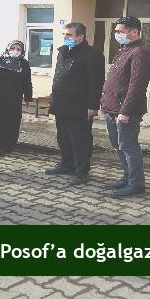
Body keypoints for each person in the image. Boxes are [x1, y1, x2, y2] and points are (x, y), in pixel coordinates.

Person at [44, 23, 105, 185]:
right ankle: (67, 164)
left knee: (80, 140)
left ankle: (81, 171)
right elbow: (58, 76)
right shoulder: (62, 52)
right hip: (61, 103)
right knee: (63, 137)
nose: (65, 38)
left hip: (79, 106)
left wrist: (93, 106)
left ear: (80, 36)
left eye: (69, 35)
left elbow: (96, 82)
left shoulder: (92, 55)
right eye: (64, 34)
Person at [100, 16, 150, 198]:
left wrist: (125, 111)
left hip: (125, 111)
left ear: (134, 32)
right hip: (112, 108)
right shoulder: (124, 50)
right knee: (119, 146)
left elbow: (136, 85)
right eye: (115, 31)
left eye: (120, 31)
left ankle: (136, 184)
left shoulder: (140, 53)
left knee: (129, 147)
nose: (116, 34)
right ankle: (127, 177)